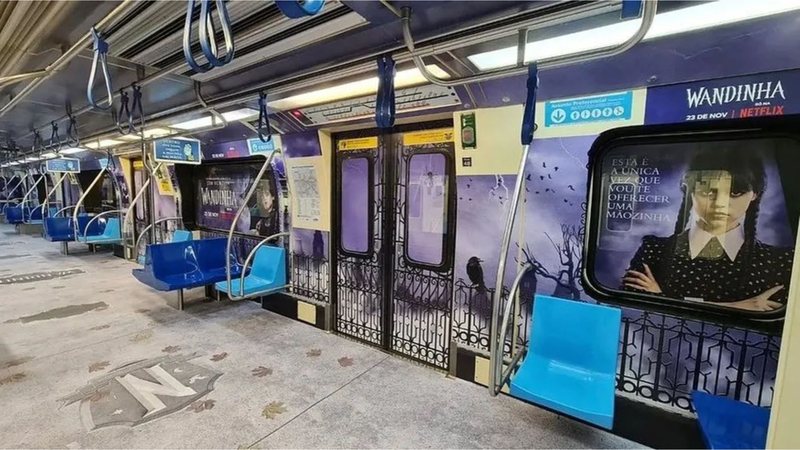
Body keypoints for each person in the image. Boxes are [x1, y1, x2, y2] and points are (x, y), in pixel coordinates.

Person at [622, 145, 794, 312]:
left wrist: (661, 296)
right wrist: (737, 307)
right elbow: (630, 301)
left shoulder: (779, 260)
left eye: (735, 193)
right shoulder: (655, 248)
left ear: (754, 194)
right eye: (708, 192)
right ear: (690, 191)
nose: (720, 204)